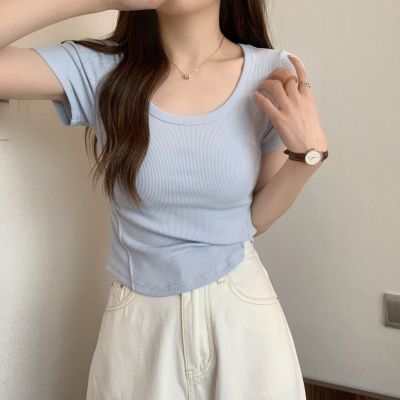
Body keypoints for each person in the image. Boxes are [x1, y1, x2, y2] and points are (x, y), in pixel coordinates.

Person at [0, 0, 329, 398]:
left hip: (241, 311)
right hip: (140, 324)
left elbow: (252, 220)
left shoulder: (272, 71)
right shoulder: (101, 71)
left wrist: (306, 159)